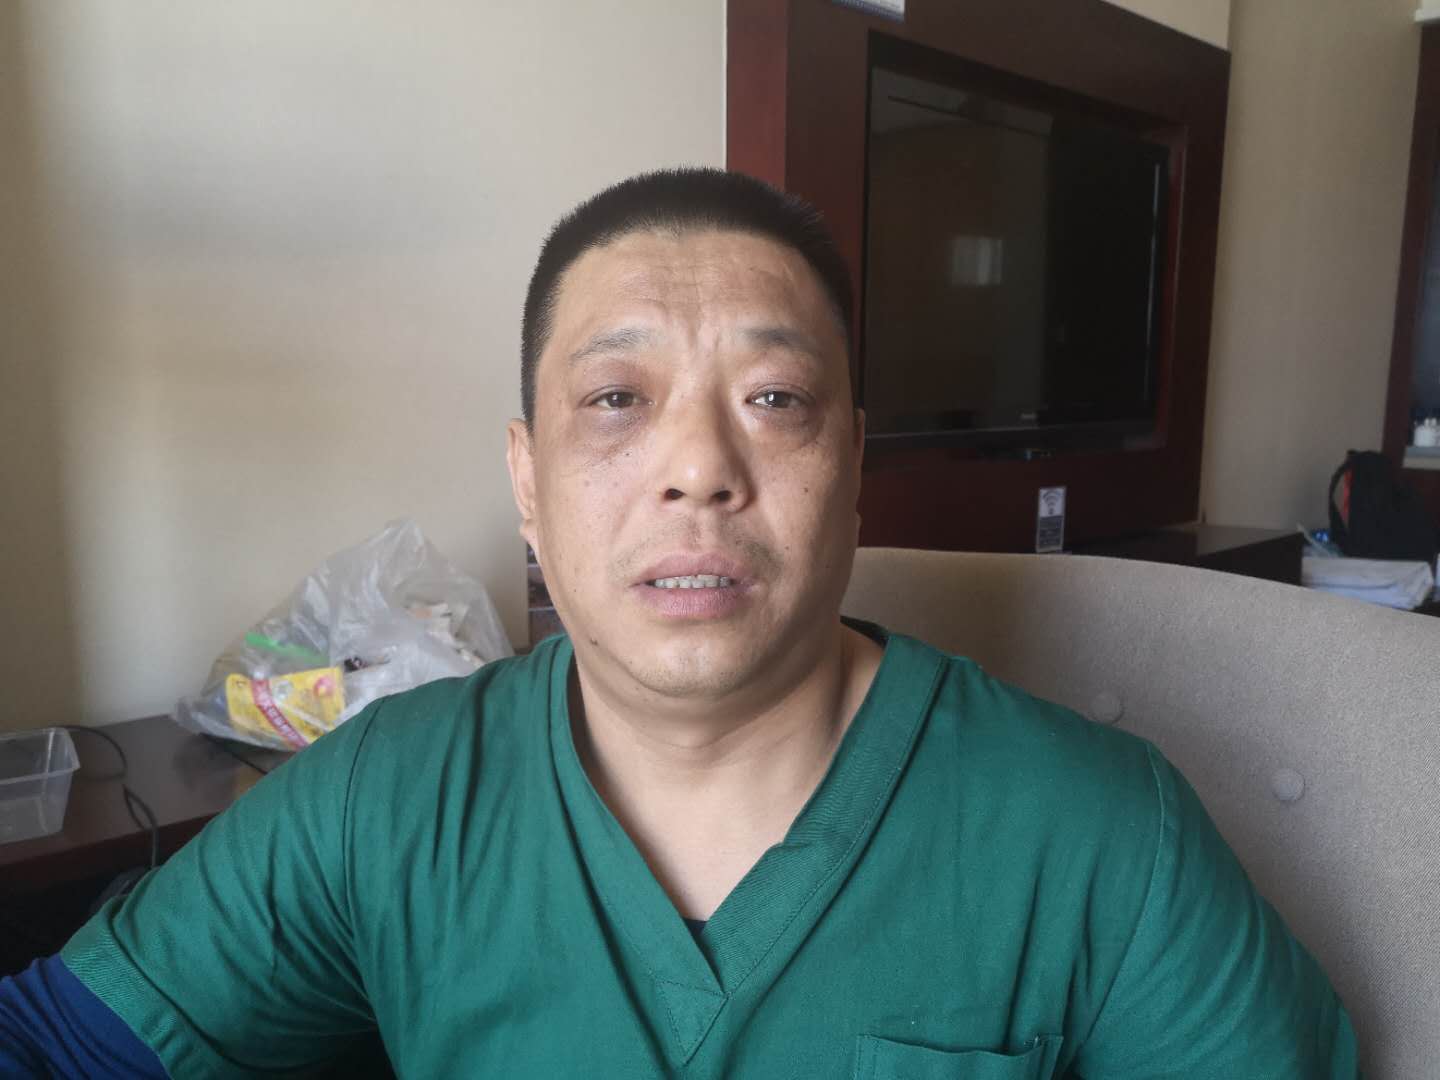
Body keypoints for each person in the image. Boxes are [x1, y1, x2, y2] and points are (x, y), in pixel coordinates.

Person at [0, 168, 1357, 1078]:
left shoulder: (1101, 834)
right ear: (526, 481)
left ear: (855, 464)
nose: (699, 467)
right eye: (615, 402)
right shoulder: (386, 798)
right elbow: (62, 1043)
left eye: (775, 400)